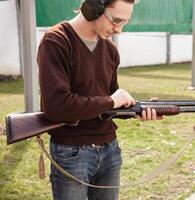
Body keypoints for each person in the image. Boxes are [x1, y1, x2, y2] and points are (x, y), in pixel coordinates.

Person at [37, 0, 159, 199]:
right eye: (116, 21)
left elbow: (108, 104)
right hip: (71, 153)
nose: (119, 30)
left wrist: (138, 109)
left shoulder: (110, 51)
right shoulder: (56, 41)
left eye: (124, 23)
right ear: (92, 8)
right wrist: (112, 101)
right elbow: (57, 106)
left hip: (110, 150)